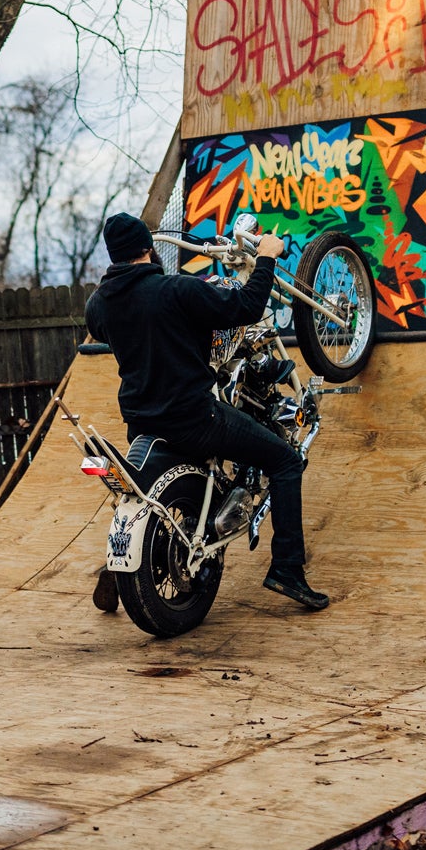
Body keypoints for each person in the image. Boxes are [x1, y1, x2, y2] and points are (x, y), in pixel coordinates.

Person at [83, 211, 329, 611]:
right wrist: (266, 256)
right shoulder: (175, 290)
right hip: (194, 419)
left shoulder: (98, 307)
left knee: (145, 493)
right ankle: (287, 568)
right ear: (148, 247)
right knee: (285, 462)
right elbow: (249, 306)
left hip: (142, 424)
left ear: (114, 255)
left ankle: (119, 568)